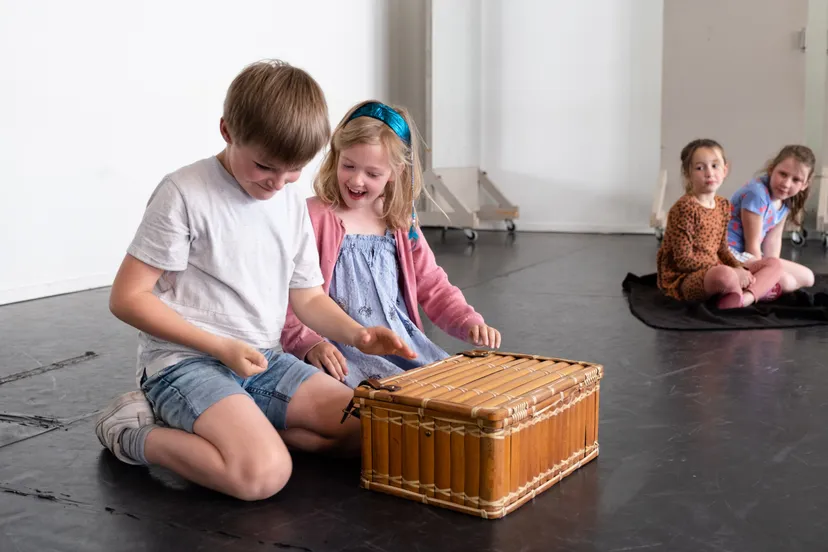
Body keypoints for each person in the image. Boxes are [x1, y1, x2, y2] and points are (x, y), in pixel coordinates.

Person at [95, 61, 416, 501]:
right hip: (184, 363)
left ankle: (238, 428)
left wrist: (358, 335)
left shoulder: (288, 202)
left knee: (368, 432)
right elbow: (127, 298)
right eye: (265, 166)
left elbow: (307, 297)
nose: (278, 183)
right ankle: (137, 436)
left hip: (261, 359)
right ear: (228, 131)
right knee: (263, 477)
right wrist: (219, 346)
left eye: (293, 171)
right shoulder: (184, 193)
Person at [280, 100, 500, 388]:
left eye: (372, 174)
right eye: (348, 166)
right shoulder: (314, 215)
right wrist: (307, 343)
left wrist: (467, 321)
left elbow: (432, 284)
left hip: (399, 347)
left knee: (450, 392)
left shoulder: (399, 221)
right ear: (336, 157)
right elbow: (291, 291)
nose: (357, 180)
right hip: (336, 352)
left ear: (395, 172)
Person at [657, 138, 783, 309]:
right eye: (700, 168)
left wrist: (739, 268)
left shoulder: (723, 205)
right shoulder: (685, 208)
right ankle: (745, 289)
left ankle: (744, 298)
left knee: (774, 264)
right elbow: (683, 260)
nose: (709, 173)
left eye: (715, 166)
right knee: (724, 275)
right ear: (688, 174)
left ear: (725, 169)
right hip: (687, 277)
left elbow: (722, 248)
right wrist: (733, 272)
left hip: (716, 265)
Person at [726, 144, 816, 292]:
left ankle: (761, 288)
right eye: (783, 174)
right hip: (732, 253)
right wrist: (768, 274)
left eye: (796, 180)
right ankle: (749, 290)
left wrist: (772, 270)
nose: (786, 184)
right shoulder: (757, 194)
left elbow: (773, 240)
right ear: (771, 168)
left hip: (749, 255)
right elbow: (752, 244)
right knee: (787, 283)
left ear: (804, 184)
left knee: (808, 278)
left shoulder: (786, 200)